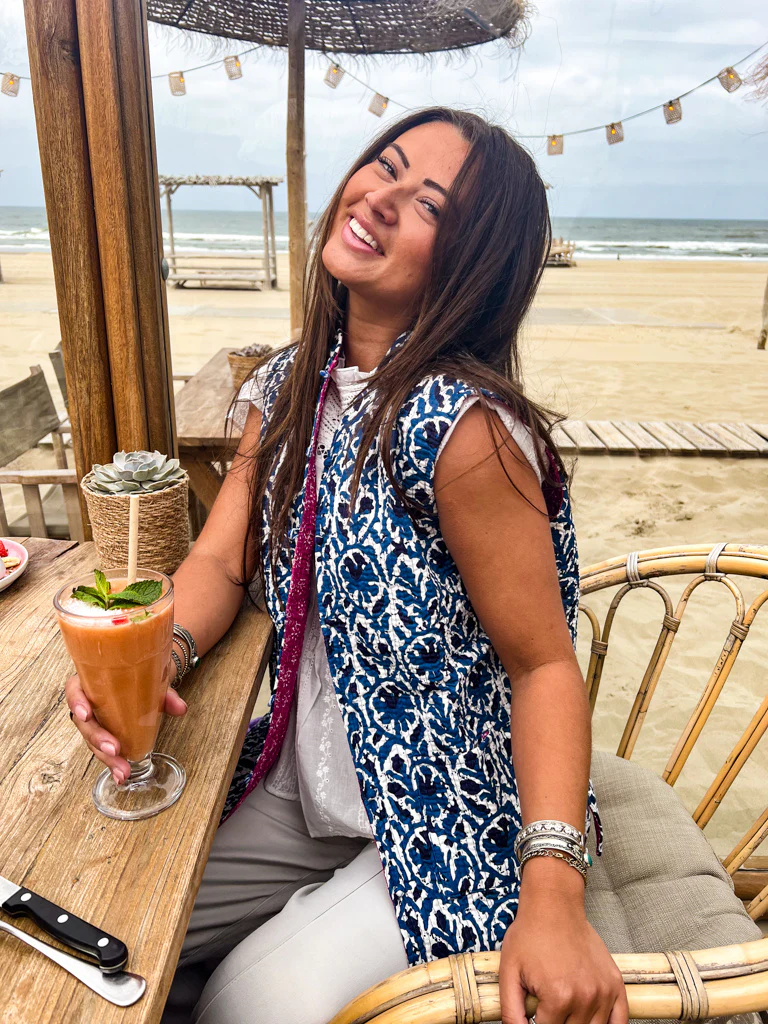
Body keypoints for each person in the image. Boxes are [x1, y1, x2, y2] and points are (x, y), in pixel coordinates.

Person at [66, 106, 629, 1024]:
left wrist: (556, 891)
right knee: (104, 927)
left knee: (241, 1007)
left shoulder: (463, 430)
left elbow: (543, 666)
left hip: (449, 810)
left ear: (472, 263)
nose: (382, 198)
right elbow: (221, 562)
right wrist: (154, 653)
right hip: (305, 784)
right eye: (386, 165)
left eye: (431, 204)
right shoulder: (289, 384)